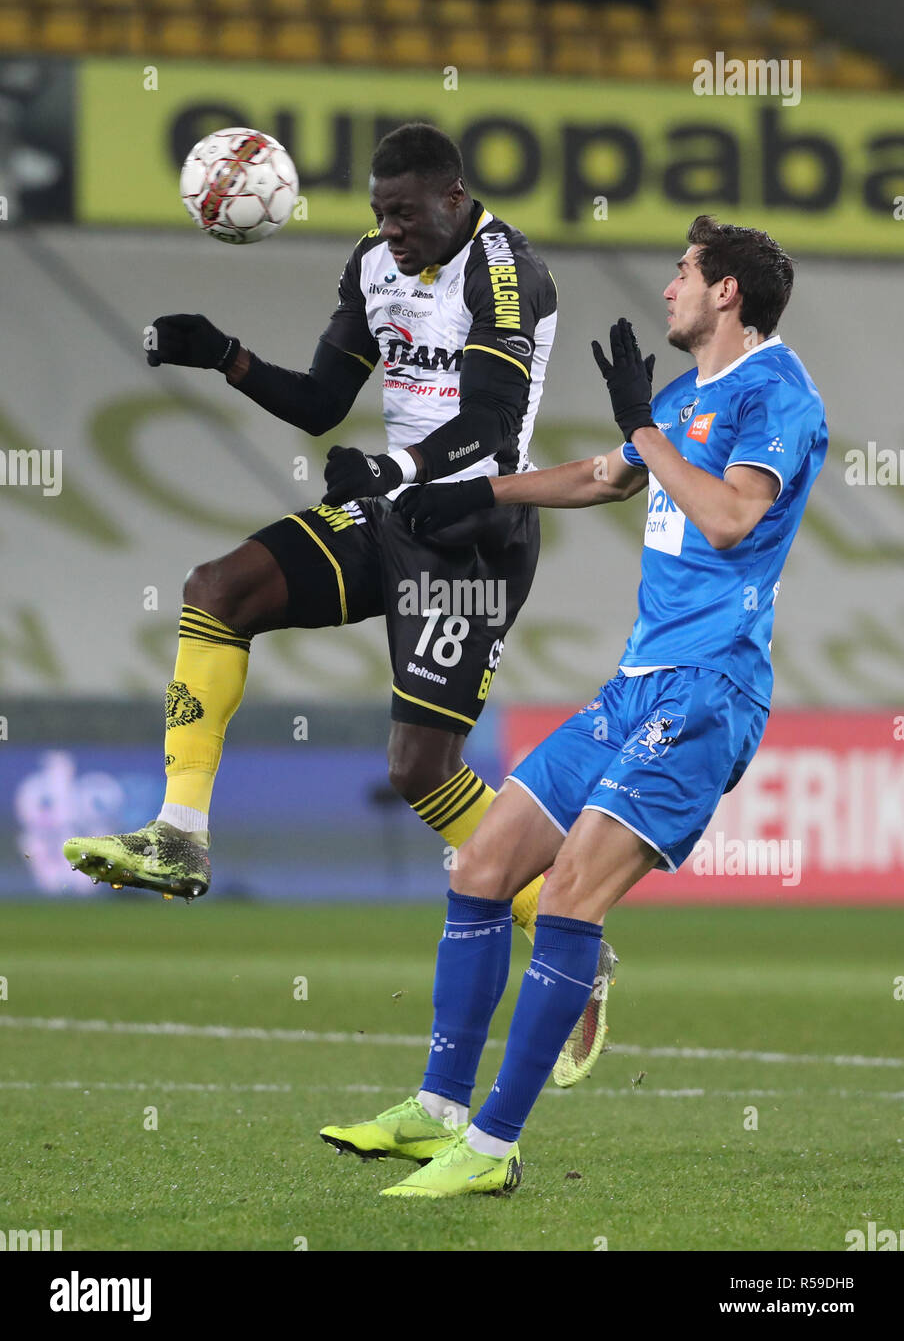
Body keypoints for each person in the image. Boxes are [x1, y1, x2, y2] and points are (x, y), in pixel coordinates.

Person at [63, 121, 612, 1084]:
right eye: (377, 213)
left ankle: (569, 925)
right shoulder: (372, 265)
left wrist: (392, 466)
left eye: (404, 213)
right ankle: (180, 835)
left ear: (453, 195)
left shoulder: (510, 270)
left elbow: (486, 424)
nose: (389, 230)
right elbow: (323, 402)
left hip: (474, 531)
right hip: (388, 511)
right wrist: (226, 357)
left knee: (418, 770)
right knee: (218, 591)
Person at [320, 215, 827, 1198]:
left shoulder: (777, 394)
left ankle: (496, 1145)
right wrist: (472, 494)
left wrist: (643, 425)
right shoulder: (685, 396)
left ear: (727, 291)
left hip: (709, 690)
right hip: (634, 686)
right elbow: (606, 476)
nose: (669, 286)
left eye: (684, 272)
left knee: (566, 896)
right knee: (481, 863)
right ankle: (437, 1113)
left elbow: (728, 519)